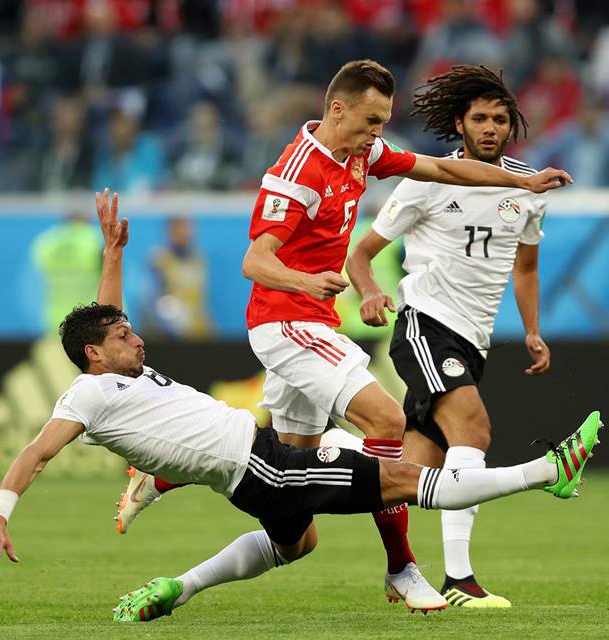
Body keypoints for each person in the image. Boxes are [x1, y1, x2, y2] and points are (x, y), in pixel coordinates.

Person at [0, 188, 604, 625]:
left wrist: (113, 252)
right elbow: (35, 452)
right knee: (408, 476)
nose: (138, 337)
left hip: (253, 474)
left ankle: (177, 587)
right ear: (94, 356)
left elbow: (104, 317)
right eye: (124, 336)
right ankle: (549, 471)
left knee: (298, 545)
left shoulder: (114, 372)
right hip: (264, 466)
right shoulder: (88, 393)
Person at [115, 58, 573, 610]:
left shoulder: (362, 153)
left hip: (311, 321)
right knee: (388, 421)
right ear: (338, 110)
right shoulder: (296, 174)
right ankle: (402, 568)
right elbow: (255, 261)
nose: (377, 134)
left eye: (383, 123)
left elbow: (442, 169)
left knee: (290, 494)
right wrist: (307, 281)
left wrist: (522, 181)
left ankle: (163, 479)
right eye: (371, 121)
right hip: (285, 321)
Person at [344, 65, 549, 608]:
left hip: (473, 341)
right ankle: (459, 579)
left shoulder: (527, 188)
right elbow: (361, 254)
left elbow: (525, 268)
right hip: (426, 323)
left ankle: (311, 462)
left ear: (511, 126)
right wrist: (370, 291)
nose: (490, 128)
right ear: (459, 124)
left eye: (500, 119)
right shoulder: (427, 181)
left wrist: (532, 330)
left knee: (407, 472)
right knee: (473, 430)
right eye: (479, 118)